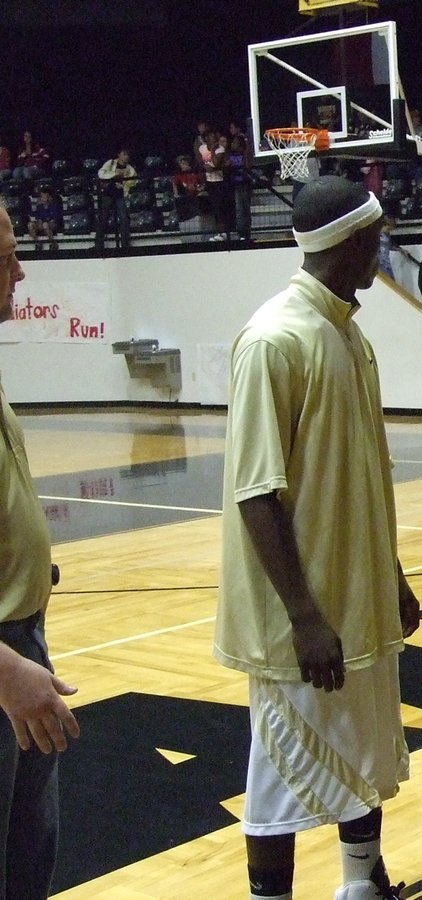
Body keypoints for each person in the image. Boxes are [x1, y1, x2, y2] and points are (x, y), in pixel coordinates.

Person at [215, 175, 419, 900]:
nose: (383, 247)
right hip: (300, 619)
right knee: (278, 774)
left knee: (362, 748)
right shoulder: (275, 340)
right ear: (355, 241)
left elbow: (362, 474)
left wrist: (391, 574)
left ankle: (361, 887)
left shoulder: (346, 332)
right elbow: (256, 494)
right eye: (378, 236)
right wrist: (303, 616)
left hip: (357, 599)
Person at [0, 202, 81, 900]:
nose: (20, 271)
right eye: (5, 258)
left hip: (20, 645)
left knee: (28, 857)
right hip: (3, 659)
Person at [96, 148, 137, 250]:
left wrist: (124, 181)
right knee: (103, 218)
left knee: (124, 218)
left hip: (120, 195)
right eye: (124, 154)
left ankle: (125, 244)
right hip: (108, 193)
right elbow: (101, 173)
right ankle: (98, 244)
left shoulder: (130, 169)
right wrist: (115, 175)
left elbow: (133, 182)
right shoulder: (110, 163)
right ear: (119, 155)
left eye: (127, 155)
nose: (126, 157)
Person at [27, 185, 61, 252]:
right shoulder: (39, 207)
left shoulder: (54, 206)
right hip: (42, 224)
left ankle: (53, 242)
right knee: (30, 225)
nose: (43, 198)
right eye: (42, 196)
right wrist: (39, 223)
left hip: (52, 224)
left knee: (45, 225)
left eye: (44, 196)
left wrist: (46, 223)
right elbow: (39, 217)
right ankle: (37, 242)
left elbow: (55, 218)